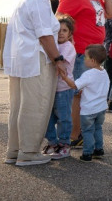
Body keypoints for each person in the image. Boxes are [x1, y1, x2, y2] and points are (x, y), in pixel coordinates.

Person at [2, 0, 69, 167]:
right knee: (35, 106)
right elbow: (45, 34)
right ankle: (28, 151)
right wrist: (58, 59)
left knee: (19, 106)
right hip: (37, 59)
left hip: (21, 59)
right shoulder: (40, 0)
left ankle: (14, 150)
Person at [57, 0, 112, 148]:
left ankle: (78, 133)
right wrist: (69, 40)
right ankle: (74, 135)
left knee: (86, 93)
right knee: (77, 94)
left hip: (93, 53)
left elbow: (111, 13)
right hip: (81, 51)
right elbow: (60, 17)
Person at [58, 44, 109, 162]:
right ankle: (99, 149)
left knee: (87, 131)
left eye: (85, 57)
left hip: (88, 109)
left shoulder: (88, 74)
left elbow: (74, 85)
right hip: (101, 108)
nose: (83, 59)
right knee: (98, 128)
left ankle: (87, 153)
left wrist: (65, 78)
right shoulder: (104, 72)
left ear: (92, 60)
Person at [44, 15, 76, 160]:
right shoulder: (53, 46)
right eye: (58, 30)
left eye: (65, 30)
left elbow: (59, 63)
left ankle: (64, 144)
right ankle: (52, 142)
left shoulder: (68, 47)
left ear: (70, 33)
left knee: (63, 118)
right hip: (50, 88)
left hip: (63, 89)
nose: (61, 33)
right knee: (48, 118)